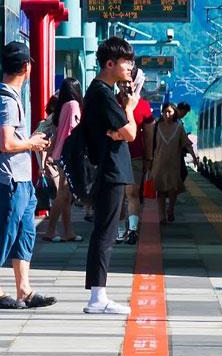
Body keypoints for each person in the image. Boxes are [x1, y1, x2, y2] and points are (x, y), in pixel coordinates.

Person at [0, 41, 57, 310]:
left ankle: (24, 289)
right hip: (8, 180)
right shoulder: (6, 101)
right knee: (2, 233)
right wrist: (32, 143)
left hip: (21, 180)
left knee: (24, 234)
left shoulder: (10, 98)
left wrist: (30, 141)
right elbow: (5, 143)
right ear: (26, 68)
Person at [82, 37, 139, 315]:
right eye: (126, 62)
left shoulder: (102, 92)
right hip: (109, 169)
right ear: (109, 64)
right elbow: (130, 132)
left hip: (110, 168)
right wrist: (129, 108)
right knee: (105, 233)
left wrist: (121, 125)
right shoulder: (102, 93)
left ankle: (98, 295)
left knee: (104, 231)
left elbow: (124, 132)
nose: (130, 67)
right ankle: (97, 298)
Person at [42, 77, 83, 242]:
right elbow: (73, 130)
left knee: (66, 196)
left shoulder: (61, 107)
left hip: (60, 153)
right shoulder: (73, 105)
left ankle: (68, 231)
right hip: (68, 154)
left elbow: (57, 131)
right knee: (63, 194)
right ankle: (50, 231)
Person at [117, 66, 153, 245]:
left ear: (135, 83)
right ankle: (119, 229)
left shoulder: (143, 106)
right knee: (118, 195)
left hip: (135, 156)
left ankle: (132, 230)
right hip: (115, 156)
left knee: (132, 193)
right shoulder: (111, 102)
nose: (125, 85)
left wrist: (149, 158)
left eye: (128, 82)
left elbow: (149, 134)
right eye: (122, 82)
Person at [147, 102, 197, 224]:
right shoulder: (156, 126)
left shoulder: (179, 127)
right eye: (165, 112)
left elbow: (186, 143)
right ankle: (162, 216)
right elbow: (150, 143)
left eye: (170, 112)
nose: (167, 114)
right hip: (158, 163)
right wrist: (148, 159)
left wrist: (194, 157)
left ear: (175, 113)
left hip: (174, 163)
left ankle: (170, 209)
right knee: (160, 190)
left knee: (172, 189)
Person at [175, 102, 193, 182]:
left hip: (178, 151)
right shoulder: (174, 121)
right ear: (178, 110)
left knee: (182, 172)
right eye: (184, 112)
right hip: (173, 151)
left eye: (185, 113)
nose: (184, 115)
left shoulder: (179, 122)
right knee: (183, 172)